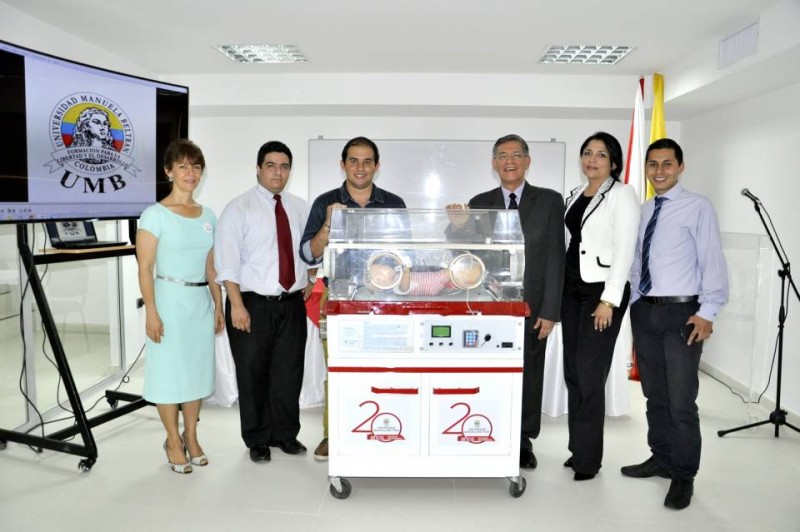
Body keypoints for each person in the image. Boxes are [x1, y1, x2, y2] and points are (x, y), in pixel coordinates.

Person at [622, 138, 729, 510]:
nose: (659, 171)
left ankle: (684, 475)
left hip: (683, 314)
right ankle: (662, 458)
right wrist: (634, 300)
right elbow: (638, 261)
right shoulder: (645, 208)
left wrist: (708, 312)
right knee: (654, 395)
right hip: (646, 311)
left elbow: (712, 261)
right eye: (652, 164)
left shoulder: (698, 207)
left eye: (667, 164)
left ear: (681, 166)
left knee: (682, 401)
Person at [448, 133, 565, 469]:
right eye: (502, 155)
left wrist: (550, 311)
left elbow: (557, 257)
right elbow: (465, 255)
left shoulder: (550, 201)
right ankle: (487, 428)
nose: (509, 161)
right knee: (490, 372)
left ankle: (523, 440)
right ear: (493, 163)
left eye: (516, 155)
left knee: (529, 374)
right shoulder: (480, 200)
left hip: (533, 307)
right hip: (488, 308)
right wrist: (457, 228)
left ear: (528, 161)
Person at [299, 136, 406, 461]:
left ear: (376, 165)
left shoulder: (393, 203)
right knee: (340, 369)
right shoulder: (325, 201)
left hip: (385, 300)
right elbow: (307, 254)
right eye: (354, 161)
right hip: (338, 300)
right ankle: (333, 434)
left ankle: (386, 427)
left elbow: (406, 252)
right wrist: (329, 223)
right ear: (343, 164)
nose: (360, 167)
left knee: (385, 368)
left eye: (367, 161)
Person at [215, 141, 313, 463]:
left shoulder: (299, 207)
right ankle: (257, 439)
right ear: (258, 168)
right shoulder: (238, 208)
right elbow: (226, 261)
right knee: (252, 372)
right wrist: (236, 304)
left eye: (284, 166)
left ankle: (285, 434)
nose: (278, 172)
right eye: (271, 165)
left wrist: (309, 279)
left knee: (288, 372)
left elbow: (306, 251)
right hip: (250, 303)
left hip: (291, 303)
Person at [136, 139, 224, 474]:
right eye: (183, 166)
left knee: (196, 372)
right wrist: (152, 313)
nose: (191, 173)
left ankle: (192, 435)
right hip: (169, 301)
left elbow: (212, 267)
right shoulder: (154, 215)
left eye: (196, 166)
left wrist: (218, 305)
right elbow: (144, 268)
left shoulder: (208, 215)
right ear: (168, 171)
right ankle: (173, 439)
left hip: (199, 302)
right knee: (170, 374)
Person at [561, 132, 640, 481]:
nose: (592, 160)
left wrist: (610, 299)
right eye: (588, 153)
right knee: (573, 373)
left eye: (601, 155)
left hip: (600, 293)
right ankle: (579, 447)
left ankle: (589, 460)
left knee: (591, 376)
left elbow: (624, 250)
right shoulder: (576, 194)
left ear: (614, 162)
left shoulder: (622, 194)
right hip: (570, 290)